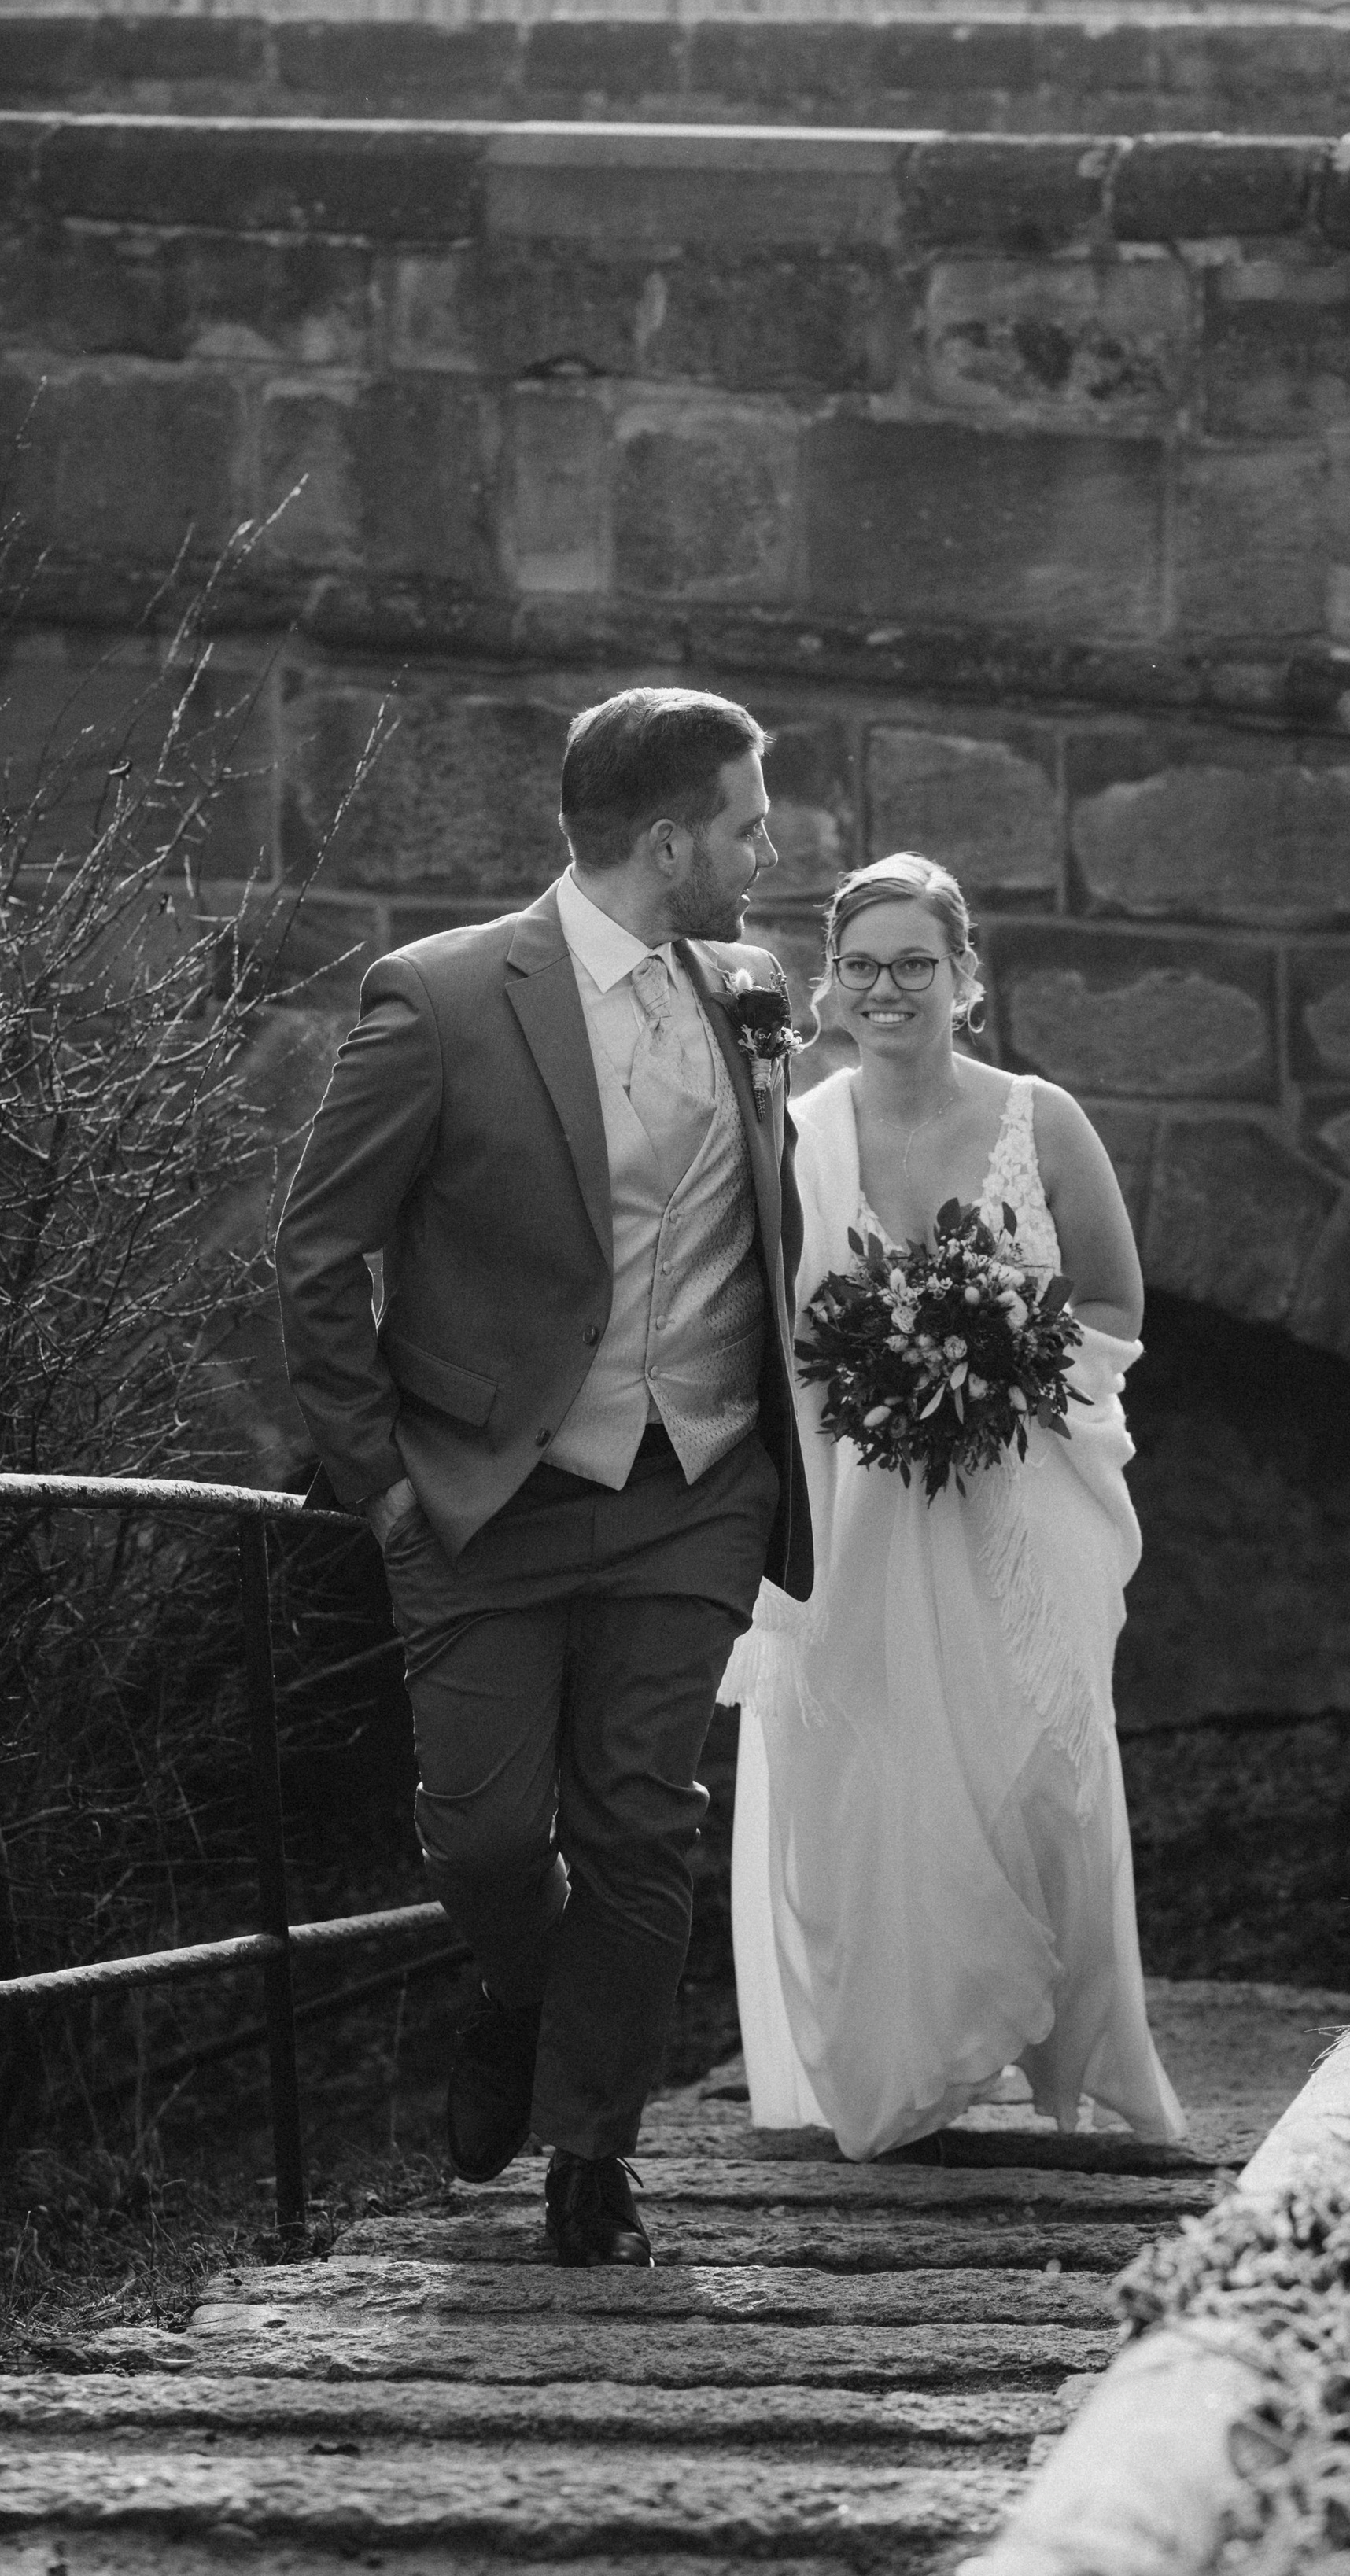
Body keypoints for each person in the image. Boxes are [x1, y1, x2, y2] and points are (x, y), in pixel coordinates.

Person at [275, 687, 812, 2266]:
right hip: (484, 1491)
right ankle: (511, 1986)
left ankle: (594, 2154)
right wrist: (377, 1478)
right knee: (490, 1839)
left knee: (643, 1822)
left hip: (697, 1475)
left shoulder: (749, 992)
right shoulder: (438, 1000)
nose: (765, 845)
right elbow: (318, 1250)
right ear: (666, 841)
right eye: (746, 819)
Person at [721, 853, 1184, 2160]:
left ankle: (1081, 2058)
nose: (888, 988)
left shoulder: (1045, 1119)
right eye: (862, 965)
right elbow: (764, 1329)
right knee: (877, 1776)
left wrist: (998, 1370)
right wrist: (888, 1377)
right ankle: (904, 2068)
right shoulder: (798, 1138)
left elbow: (1112, 1302)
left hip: (1025, 1495)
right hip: (859, 1508)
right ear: (829, 986)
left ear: (965, 978)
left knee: (1045, 1770)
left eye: (916, 963)